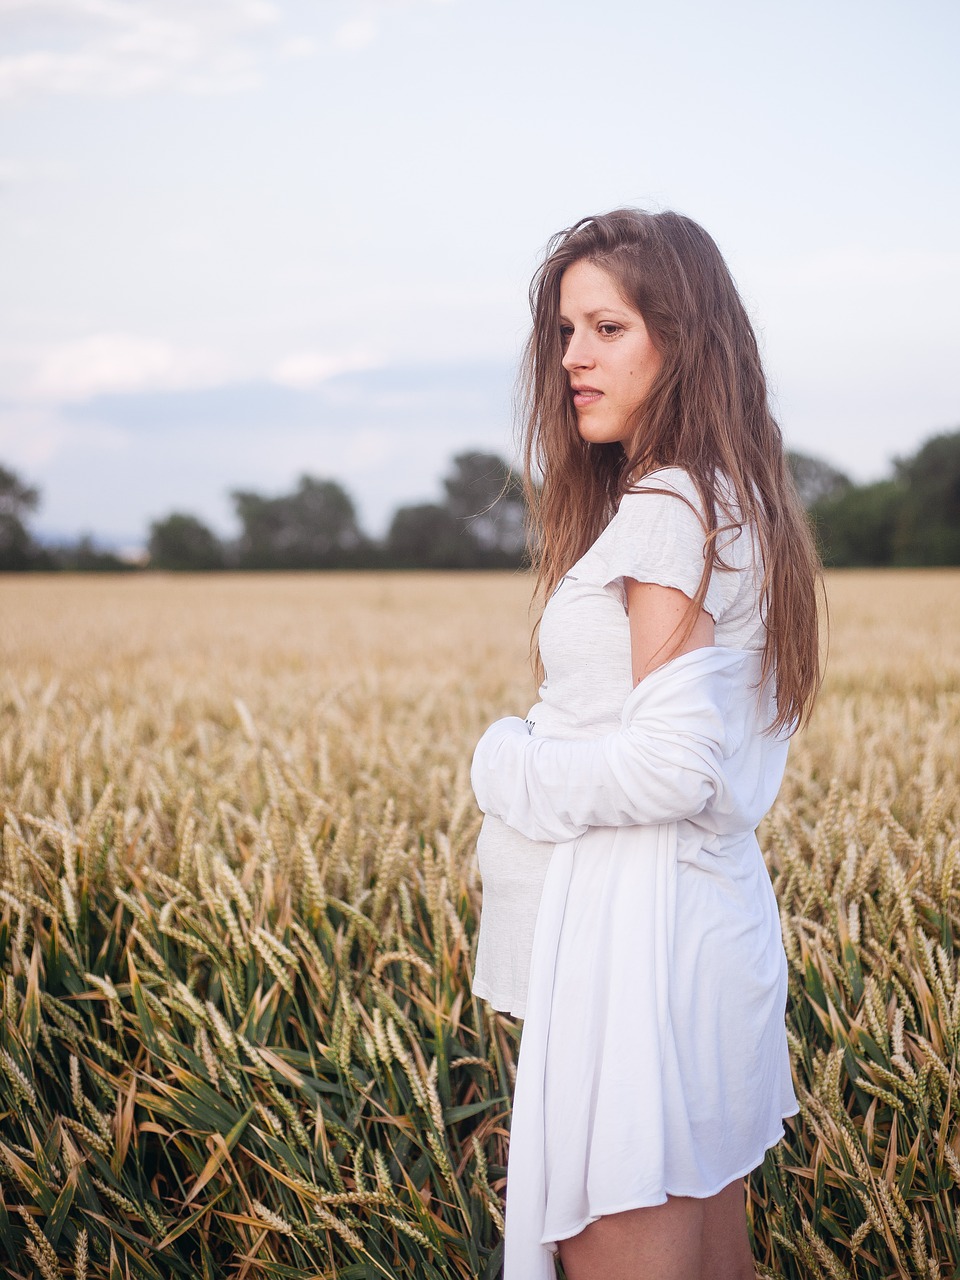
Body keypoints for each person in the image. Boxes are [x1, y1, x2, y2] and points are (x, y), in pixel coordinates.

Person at [469, 208, 821, 1280]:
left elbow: (675, 766)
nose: (572, 356)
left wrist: (506, 762)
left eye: (607, 327)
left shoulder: (669, 509)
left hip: (633, 952)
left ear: (684, 337)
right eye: (566, 329)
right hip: (693, 927)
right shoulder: (727, 498)